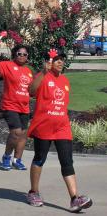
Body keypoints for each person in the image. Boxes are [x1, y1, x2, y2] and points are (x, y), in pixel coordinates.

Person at [26, 50, 92, 213]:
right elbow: (32, 91)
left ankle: (75, 198)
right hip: (43, 126)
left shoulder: (64, 80)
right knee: (39, 159)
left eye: (62, 59)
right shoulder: (43, 77)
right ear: (49, 62)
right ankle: (33, 192)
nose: (60, 62)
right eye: (56, 60)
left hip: (62, 127)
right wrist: (43, 71)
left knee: (67, 161)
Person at [0, 41, 33, 171]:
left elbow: (32, 89)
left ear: (27, 57)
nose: (22, 56)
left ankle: (17, 160)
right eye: (19, 54)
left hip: (24, 107)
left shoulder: (28, 71)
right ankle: (6, 156)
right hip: (10, 105)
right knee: (15, 133)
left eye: (24, 54)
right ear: (15, 55)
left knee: (23, 135)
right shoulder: (8, 65)